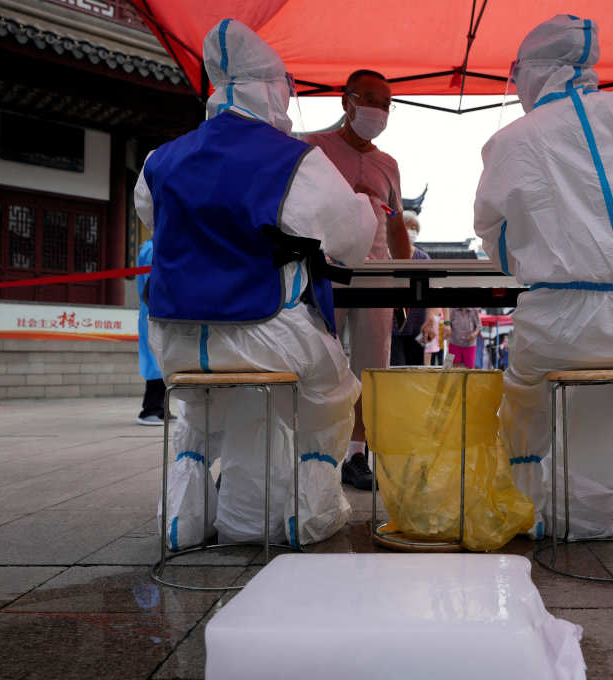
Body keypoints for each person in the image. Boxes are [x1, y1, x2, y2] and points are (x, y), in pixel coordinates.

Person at [136, 19, 379, 548]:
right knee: (331, 394)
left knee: (196, 413)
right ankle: (306, 513)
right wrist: (363, 207)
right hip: (263, 328)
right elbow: (350, 241)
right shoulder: (293, 159)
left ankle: (182, 519)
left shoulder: (161, 159)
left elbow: (158, 223)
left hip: (175, 338)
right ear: (272, 89)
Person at [474, 15, 613, 540]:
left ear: (527, 71)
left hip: (568, 325)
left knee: (528, 396)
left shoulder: (513, 140)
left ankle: (540, 504)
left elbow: (498, 239)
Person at [306, 69, 412, 490]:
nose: (378, 110)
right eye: (370, 99)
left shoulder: (389, 164)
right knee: (319, 361)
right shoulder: (314, 149)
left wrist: (404, 282)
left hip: (378, 274)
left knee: (372, 367)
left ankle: (356, 455)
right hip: (326, 271)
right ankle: (314, 449)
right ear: (346, 101)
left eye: (386, 104)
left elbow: (399, 226)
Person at [389, 213, 438, 367]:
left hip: (418, 326)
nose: (412, 232)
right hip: (390, 327)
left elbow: (432, 291)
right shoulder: (387, 256)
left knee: (414, 370)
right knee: (396, 370)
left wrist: (431, 319)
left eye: (415, 228)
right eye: (408, 227)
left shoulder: (422, 258)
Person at [135, 238, 165, 425]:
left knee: (162, 360)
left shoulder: (155, 244)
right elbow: (152, 282)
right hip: (154, 311)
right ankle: (150, 410)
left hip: (159, 311)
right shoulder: (153, 247)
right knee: (155, 362)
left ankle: (161, 408)